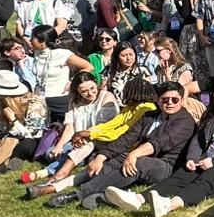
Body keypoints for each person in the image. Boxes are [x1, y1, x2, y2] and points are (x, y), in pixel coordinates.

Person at [112, 79, 214, 217]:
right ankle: (139, 198)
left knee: (208, 178)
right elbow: (199, 138)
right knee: (183, 173)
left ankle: (169, 205)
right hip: (209, 157)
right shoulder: (213, 114)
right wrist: (192, 158)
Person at [44, 81, 198, 210]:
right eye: (165, 99)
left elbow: (160, 143)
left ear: (181, 100)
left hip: (165, 165)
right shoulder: (150, 115)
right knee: (111, 161)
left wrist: (134, 154)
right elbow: (127, 138)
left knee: (136, 163)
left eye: (174, 100)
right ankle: (64, 185)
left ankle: (80, 193)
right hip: (143, 155)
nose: (169, 103)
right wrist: (101, 156)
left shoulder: (185, 122)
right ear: (158, 100)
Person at [19, 25, 93, 125]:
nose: (30, 40)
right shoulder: (37, 53)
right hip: (40, 99)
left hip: (59, 99)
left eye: (33, 38)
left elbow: (88, 66)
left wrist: (72, 82)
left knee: (61, 128)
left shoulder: (62, 54)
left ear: (43, 42)